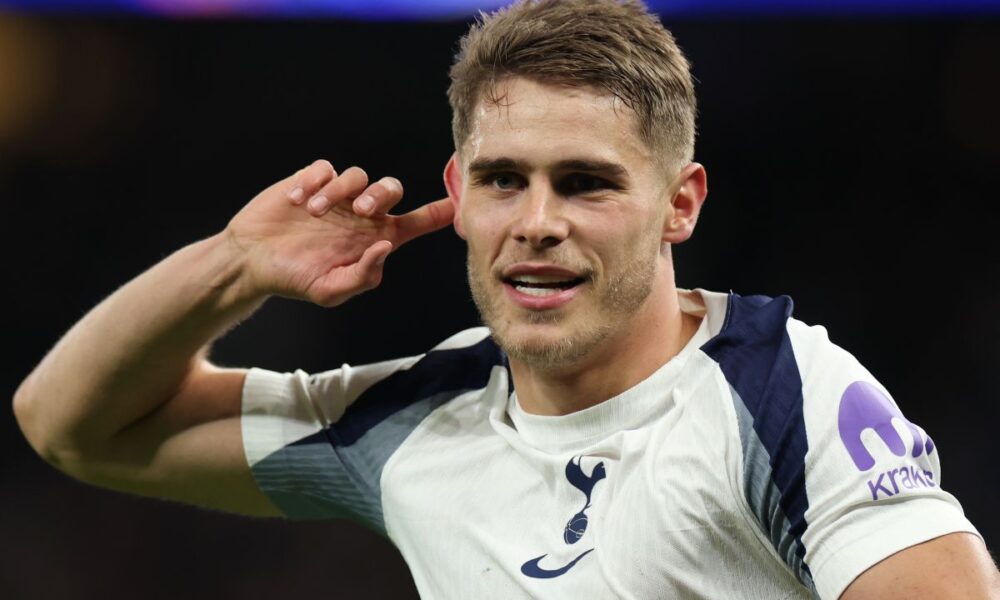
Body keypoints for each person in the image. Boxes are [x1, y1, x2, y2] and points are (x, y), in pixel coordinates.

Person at [12, 0, 999, 598]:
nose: (536, 220)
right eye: (502, 180)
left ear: (679, 203)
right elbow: (69, 426)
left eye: (586, 183)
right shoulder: (408, 421)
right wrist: (232, 265)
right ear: (458, 192)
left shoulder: (786, 395)